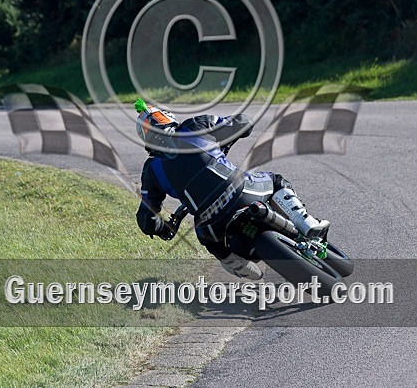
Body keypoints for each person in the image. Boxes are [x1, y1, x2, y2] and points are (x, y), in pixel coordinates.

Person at [134, 99, 329, 279]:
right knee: (276, 181)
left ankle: (243, 268)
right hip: (241, 190)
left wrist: (162, 229)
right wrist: (226, 138)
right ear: (169, 118)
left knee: (213, 244)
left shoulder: (151, 170)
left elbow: (145, 219)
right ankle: (306, 222)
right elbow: (244, 122)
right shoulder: (196, 125)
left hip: (209, 223)